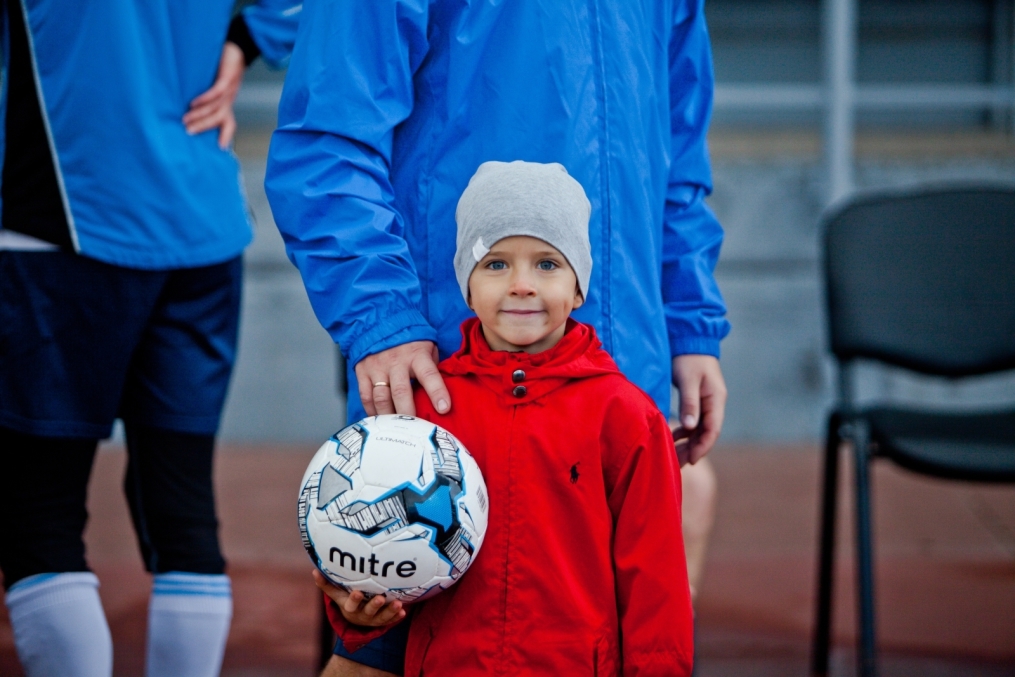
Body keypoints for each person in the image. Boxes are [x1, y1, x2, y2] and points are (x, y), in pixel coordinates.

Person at [264, 0, 729, 673]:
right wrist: (382, 314)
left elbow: (675, 153)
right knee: (379, 650)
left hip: (617, 374)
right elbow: (329, 133)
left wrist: (689, 322)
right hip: (449, 388)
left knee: (625, 636)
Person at [0, 3, 297, 676]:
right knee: (182, 509)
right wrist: (246, 40)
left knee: (38, 516)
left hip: (63, 217)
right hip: (199, 214)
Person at [321, 161, 694, 676]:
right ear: (467, 286)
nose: (521, 284)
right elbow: (384, 560)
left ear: (579, 288)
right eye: (496, 264)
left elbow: (656, 578)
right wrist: (359, 614)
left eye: (547, 264)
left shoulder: (625, 416)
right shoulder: (424, 416)